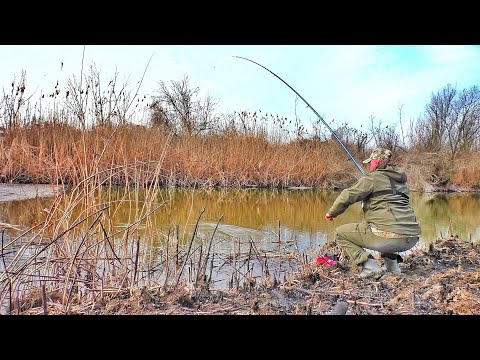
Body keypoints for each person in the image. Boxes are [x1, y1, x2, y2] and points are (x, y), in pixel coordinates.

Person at [325, 148, 421, 279]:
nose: (369, 165)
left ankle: (370, 267)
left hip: (390, 238)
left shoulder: (371, 178)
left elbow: (347, 195)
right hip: (412, 238)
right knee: (385, 224)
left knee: (340, 233)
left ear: (376, 162)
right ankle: (392, 267)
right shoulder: (401, 182)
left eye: (371, 162)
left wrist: (332, 212)